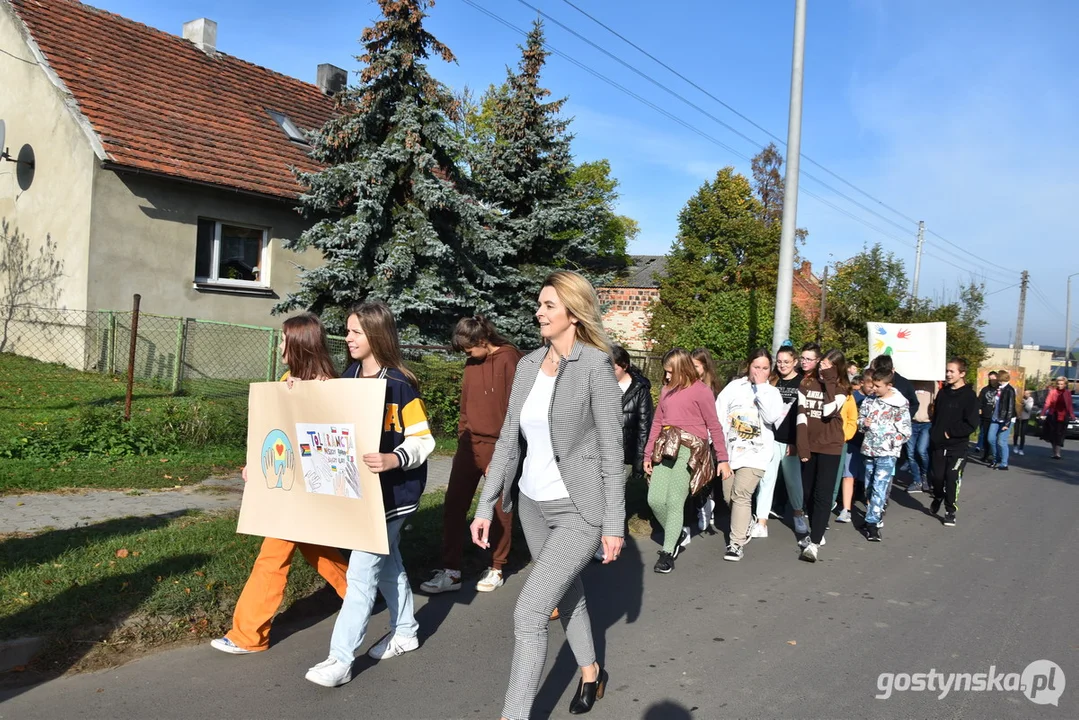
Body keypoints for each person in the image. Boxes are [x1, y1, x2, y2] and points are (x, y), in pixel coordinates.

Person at [470, 270, 626, 720]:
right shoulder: (527, 364)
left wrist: (613, 524)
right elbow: (506, 441)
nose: (539, 312)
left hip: (580, 509)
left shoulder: (595, 365)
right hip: (533, 506)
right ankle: (591, 670)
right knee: (567, 593)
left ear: (574, 314)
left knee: (530, 611)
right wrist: (485, 505)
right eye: (539, 304)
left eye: (549, 305)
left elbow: (612, 452)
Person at [305, 301, 435, 687]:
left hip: (394, 497)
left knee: (362, 573)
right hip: (363, 496)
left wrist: (394, 459)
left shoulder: (400, 385)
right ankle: (407, 631)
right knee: (388, 562)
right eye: (347, 331)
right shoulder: (348, 375)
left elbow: (423, 440)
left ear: (376, 335)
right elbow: (324, 409)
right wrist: (297, 387)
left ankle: (340, 659)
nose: (347, 338)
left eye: (355, 332)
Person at [211, 314, 350, 655]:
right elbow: (276, 432)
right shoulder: (288, 380)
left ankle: (249, 635)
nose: (280, 346)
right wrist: (257, 466)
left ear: (300, 345)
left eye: (285, 339)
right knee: (315, 548)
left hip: (311, 489)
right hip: (289, 487)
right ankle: (363, 593)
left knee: (272, 556)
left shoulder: (330, 388)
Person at [423, 316, 522, 596]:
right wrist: (462, 436)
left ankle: (497, 567)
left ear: (482, 340)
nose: (466, 354)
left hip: (499, 447)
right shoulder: (472, 363)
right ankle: (451, 571)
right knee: (454, 505)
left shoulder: (509, 359)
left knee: (500, 509)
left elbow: (516, 411)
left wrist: (504, 454)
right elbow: (466, 406)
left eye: (468, 349)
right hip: (469, 446)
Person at [644, 348, 730, 574]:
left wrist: (722, 458)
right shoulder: (666, 390)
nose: (668, 376)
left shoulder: (702, 391)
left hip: (690, 451)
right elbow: (657, 424)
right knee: (655, 499)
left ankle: (667, 552)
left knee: (674, 500)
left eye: (671, 372)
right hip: (666, 448)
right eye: (666, 372)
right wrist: (647, 454)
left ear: (683, 369)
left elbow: (714, 426)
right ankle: (677, 532)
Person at [715, 348, 784, 561]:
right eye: (756, 367)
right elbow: (718, 413)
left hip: (757, 454)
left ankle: (735, 544)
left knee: (742, 494)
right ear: (749, 366)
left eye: (765, 368)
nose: (760, 372)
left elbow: (772, 416)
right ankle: (746, 522)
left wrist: (762, 387)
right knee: (730, 497)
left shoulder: (772, 392)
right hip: (731, 452)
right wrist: (717, 447)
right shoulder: (735, 387)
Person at [795, 347, 848, 562]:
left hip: (831, 446)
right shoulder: (806, 384)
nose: (823, 367)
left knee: (823, 495)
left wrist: (829, 382)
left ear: (837, 369)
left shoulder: (842, 388)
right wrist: (802, 446)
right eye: (822, 363)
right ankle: (814, 529)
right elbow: (800, 416)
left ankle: (814, 542)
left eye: (829, 365)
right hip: (810, 445)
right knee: (807, 492)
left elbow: (828, 411)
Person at [751, 345, 803, 538]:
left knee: (793, 482)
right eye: (779, 362)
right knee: (766, 480)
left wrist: (798, 442)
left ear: (795, 362)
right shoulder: (772, 380)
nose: (782, 365)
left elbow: (803, 417)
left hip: (791, 442)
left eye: (786, 362)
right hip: (770, 439)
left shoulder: (802, 383)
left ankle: (798, 514)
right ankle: (761, 522)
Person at [858, 367, 911, 542]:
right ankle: (873, 514)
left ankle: (872, 524)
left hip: (887, 453)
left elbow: (905, 431)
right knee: (869, 487)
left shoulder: (899, 403)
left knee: (880, 487)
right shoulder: (868, 401)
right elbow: (860, 423)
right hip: (869, 450)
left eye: (878, 386)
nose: (874, 389)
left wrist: (891, 441)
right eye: (872, 385)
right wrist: (863, 423)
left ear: (889, 385)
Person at [929, 358, 979, 528]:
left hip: (958, 446)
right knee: (936, 478)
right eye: (947, 371)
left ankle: (950, 510)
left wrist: (951, 432)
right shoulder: (943, 393)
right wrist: (934, 433)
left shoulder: (969, 396)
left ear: (962, 374)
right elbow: (937, 417)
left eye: (952, 371)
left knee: (951, 477)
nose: (948, 374)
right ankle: (938, 496)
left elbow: (972, 423)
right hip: (938, 444)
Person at [690, 347, 722, 532]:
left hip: (708, 439)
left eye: (696, 366)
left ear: (705, 366)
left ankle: (705, 506)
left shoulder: (713, 390)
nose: (693, 370)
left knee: (705, 478)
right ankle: (697, 507)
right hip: (691, 438)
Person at [836, 370, 869, 524]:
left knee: (868, 477)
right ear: (862, 383)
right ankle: (846, 509)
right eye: (870, 384)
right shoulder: (853, 397)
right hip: (853, 442)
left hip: (870, 445)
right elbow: (848, 418)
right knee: (848, 475)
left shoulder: (876, 399)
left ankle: (870, 507)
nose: (873, 387)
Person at [830, 363, 860, 513]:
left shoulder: (848, 395)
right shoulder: (822, 391)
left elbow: (852, 419)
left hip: (840, 441)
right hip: (821, 440)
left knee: (835, 477)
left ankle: (828, 506)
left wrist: (844, 436)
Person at [906, 381, 936, 492]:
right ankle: (916, 480)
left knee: (922, 450)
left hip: (926, 423)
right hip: (912, 422)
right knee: (910, 453)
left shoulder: (932, 382)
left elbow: (936, 400)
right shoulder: (909, 382)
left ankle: (925, 475)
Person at [986, 370, 1017, 470]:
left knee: (1001, 441)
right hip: (995, 417)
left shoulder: (1009, 390)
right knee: (990, 438)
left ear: (1001, 378)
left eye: (997, 377)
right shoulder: (999, 389)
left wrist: (1007, 423)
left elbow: (1011, 408)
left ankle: (1004, 463)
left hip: (1006, 419)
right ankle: (996, 458)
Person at [1040, 376, 1075, 459]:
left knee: (1060, 434)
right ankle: (1054, 451)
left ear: (1065, 384)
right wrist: (1043, 413)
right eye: (1058, 384)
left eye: (1062, 384)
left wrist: (1072, 415)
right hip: (1053, 415)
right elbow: (1047, 403)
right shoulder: (1052, 392)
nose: (1060, 386)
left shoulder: (1067, 393)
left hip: (1063, 416)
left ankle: (1057, 453)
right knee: (1052, 434)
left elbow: (1069, 405)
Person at [974, 372, 1000, 460]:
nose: (992, 381)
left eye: (993, 379)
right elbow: (979, 401)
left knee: (993, 437)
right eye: (990, 379)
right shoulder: (985, 389)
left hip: (996, 417)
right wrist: (978, 409)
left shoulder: (1000, 389)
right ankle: (986, 454)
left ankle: (995, 455)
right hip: (985, 416)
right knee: (985, 436)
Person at [1013, 389, 1034, 456]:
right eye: (1025, 393)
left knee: (1022, 434)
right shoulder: (1019, 398)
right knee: (1016, 432)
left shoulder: (1030, 400)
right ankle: (1015, 445)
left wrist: (1024, 403)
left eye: (1027, 394)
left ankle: (1021, 448)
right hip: (1018, 417)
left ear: (1030, 394)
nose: (1026, 394)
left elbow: (1029, 409)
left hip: (1025, 418)